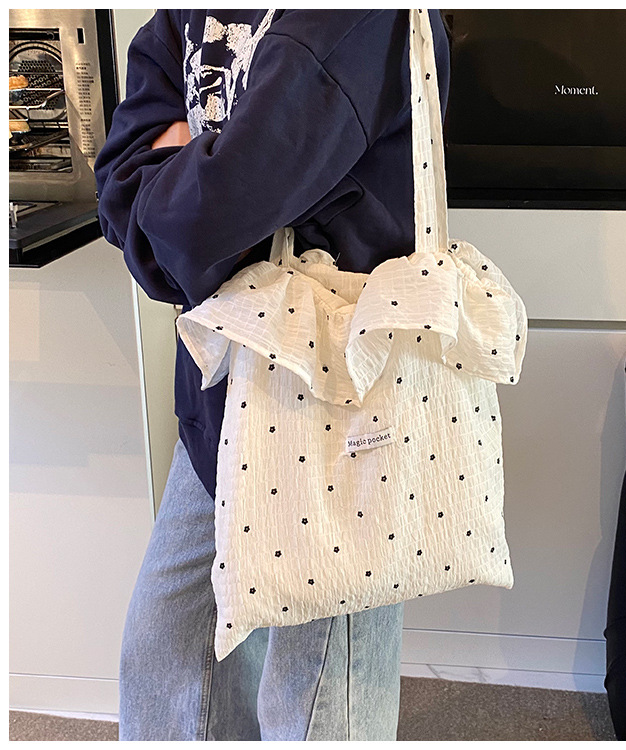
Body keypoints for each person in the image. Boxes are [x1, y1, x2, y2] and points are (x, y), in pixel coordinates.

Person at [94, 9, 450, 741]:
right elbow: (122, 180)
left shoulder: (357, 17)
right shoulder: (183, 14)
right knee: (166, 659)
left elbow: (200, 221)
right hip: (217, 398)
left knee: (318, 702)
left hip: (340, 403)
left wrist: (183, 170)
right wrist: (193, 191)